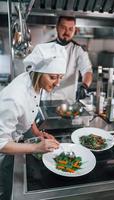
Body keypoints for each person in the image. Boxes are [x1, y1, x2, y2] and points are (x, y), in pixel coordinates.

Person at [0, 42, 67, 200]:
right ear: (39, 71)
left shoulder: (36, 83)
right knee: (10, 191)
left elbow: (28, 113)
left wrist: (38, 133)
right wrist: (36, 147)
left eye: (60, 77)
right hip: (5, 150)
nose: (58, 83)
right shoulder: (15, 97)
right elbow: (1, 144)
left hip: (17, 140)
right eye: (53, 77)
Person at [42, 16, 93, 103]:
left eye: (70, 29)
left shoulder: (78, 50)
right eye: (63, 28)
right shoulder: (45, 48)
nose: (67, 32)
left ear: (75, 30)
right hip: (46, 100)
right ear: (57, 27)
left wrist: (84, 86)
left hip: (67, 102)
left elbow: (87, 71)